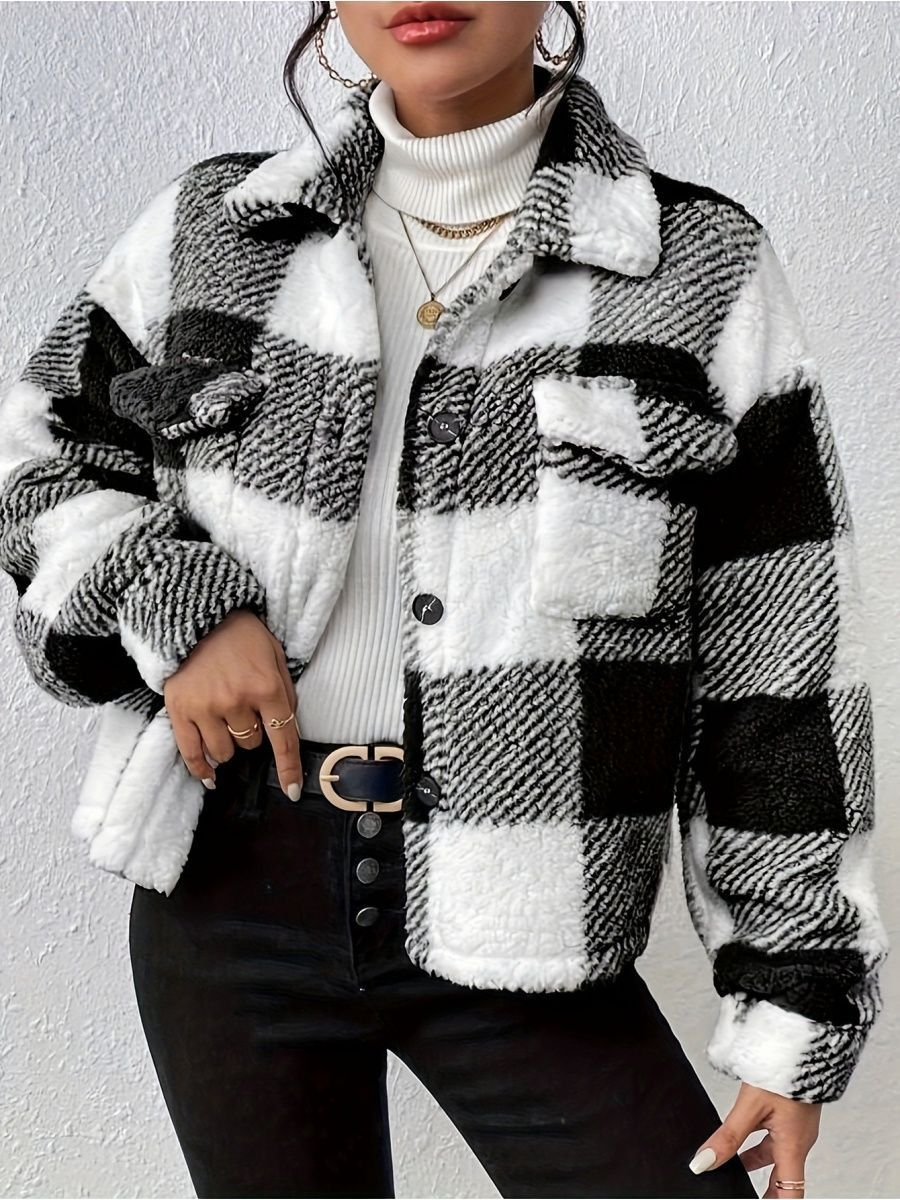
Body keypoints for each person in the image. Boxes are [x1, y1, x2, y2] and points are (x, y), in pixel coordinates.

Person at [0, 3, 888, 1198]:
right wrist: (179, 605)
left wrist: (794, 1000)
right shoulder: (215, 228)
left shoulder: (694, 262)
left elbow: (780, 655)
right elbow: (42, 460)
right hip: (228, 884)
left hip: (529, 901)